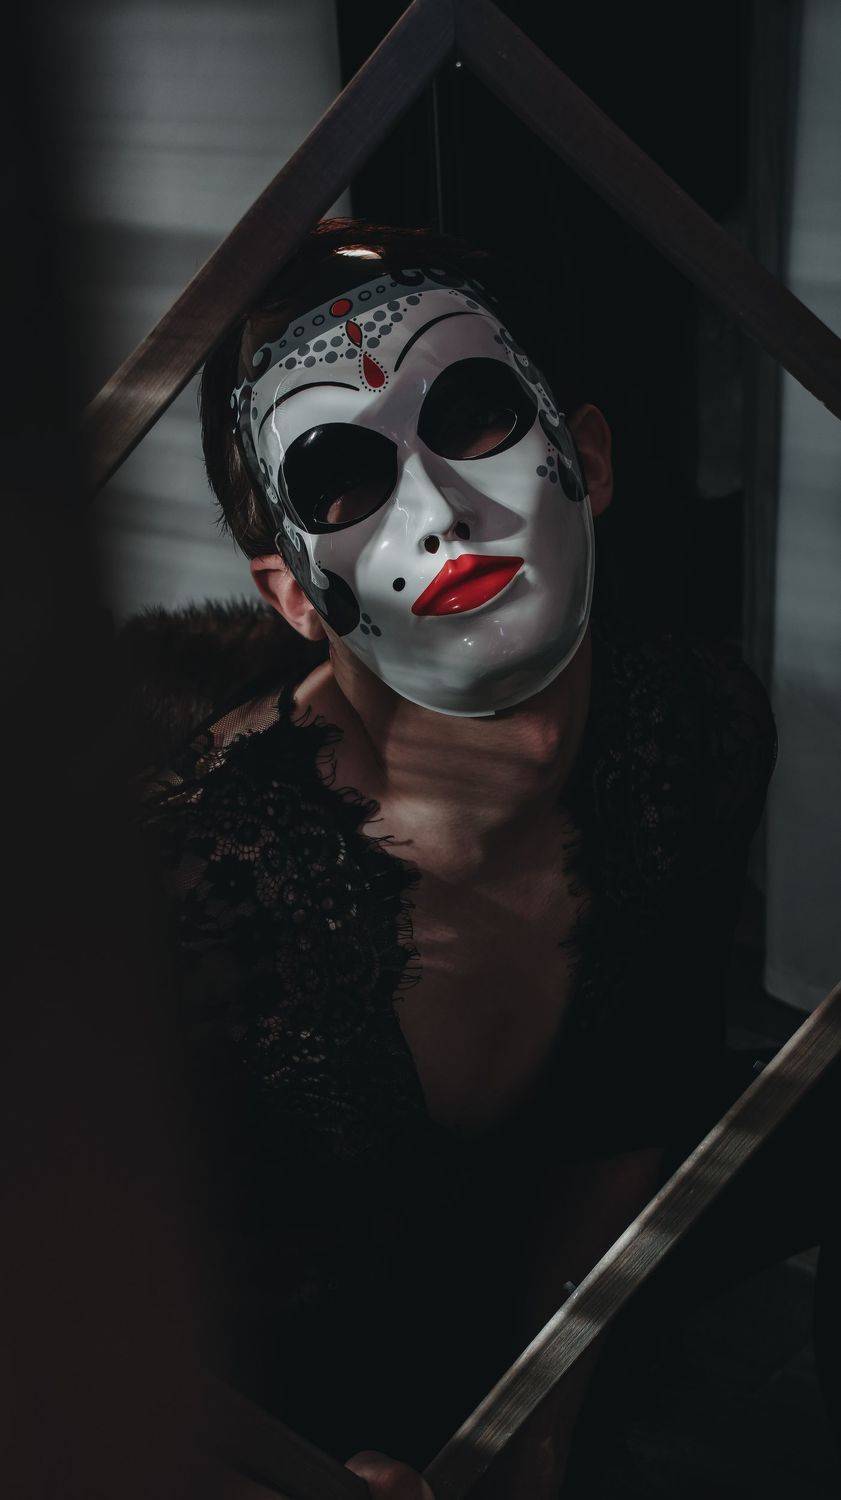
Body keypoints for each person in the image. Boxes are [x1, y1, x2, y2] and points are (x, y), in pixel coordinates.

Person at [139, 217, 783, 1496]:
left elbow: (631, 1105)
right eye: (340, 478)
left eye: (474, 416)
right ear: (292, 595)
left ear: (586, 458)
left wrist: (539, 1426)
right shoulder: (202, 883)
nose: (440, 512)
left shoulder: (688, 730)